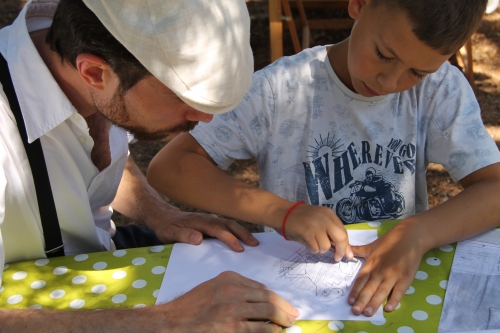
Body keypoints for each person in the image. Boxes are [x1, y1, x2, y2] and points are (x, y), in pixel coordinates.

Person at [147, 0, 500, 318]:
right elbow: (171, 167)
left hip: (391, 289)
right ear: (359, 5)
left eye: (417, 72)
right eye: (383, 53)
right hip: (294, 295)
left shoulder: (440, 89)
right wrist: (281, 212)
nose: (390, 80)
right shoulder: (281, 89)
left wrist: (418, 232)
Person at [0, 0, 299, 331]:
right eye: (182, 98)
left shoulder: (98, 56)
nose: (204, 117)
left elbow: (99, 166)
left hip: (104, 261)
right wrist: (167, 321)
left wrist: (159, 213)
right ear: (94, 73)